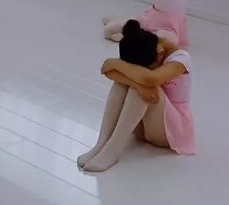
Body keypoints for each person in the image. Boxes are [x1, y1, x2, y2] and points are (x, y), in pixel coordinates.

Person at [78, 20, 196, 173]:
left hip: (172, 131)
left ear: (160, 53)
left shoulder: (181, 59)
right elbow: (107, 70)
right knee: (125, 84)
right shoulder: (144, 43)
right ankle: (102, 143)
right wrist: (136, 83)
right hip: (144, 127)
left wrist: (116, 64)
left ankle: (113, 149)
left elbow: (149, 79)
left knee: (145, 87)